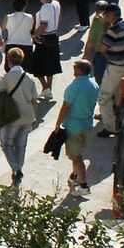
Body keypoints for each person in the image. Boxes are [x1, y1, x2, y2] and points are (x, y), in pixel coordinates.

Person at [0, 48, 41, 184]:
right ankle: (18, 171)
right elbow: (34, 100)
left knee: (7, 144)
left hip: (12, 116)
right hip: (28, 116)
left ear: (9, 61)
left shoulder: (6, 78)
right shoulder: (29, 77)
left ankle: (15, 169)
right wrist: (34, 116)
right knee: (21, 145)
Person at [54, 59, 98, 195]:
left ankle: (83, 186)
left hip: (74, 126)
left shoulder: (74, 87)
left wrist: (58, 124)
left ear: (80, 70)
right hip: (87, 124)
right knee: (79, 153)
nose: (73, 68)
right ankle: (74, 175)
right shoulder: (94, 84)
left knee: (76, 156)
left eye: (75, 66)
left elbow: (66, 107)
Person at [95, 4, 124, 136]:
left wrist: (104, 31)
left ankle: (112, 127)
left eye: (107, 15)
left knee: (103, 98)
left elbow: (102, 49)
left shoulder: (112, 31)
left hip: (115, 68)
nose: (106, 18)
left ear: (112, 15)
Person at [28, 0, 62, 100]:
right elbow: (58, 19)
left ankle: (45, 87)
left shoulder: (45, 7)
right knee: (50, 64)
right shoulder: (56, 4)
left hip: (44, 38)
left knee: (37, 64)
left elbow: (43, 26)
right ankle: (48, 88)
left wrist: (34, 36)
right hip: (53, 36)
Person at [3, 0, 35, 68]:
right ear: (25, 5)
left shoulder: (8, 17)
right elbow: (31, 29)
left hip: (12, 45)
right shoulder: (30, 17)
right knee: (26, 69)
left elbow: (3, 28)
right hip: (27, 46)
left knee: (10, 69)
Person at [84, 0, 110, 82]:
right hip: (112, 53)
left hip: (101, 54)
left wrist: (85, 56)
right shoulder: (112, 18)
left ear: (97, 10)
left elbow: (90, 41)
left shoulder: (98, 21)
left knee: (100, 80)